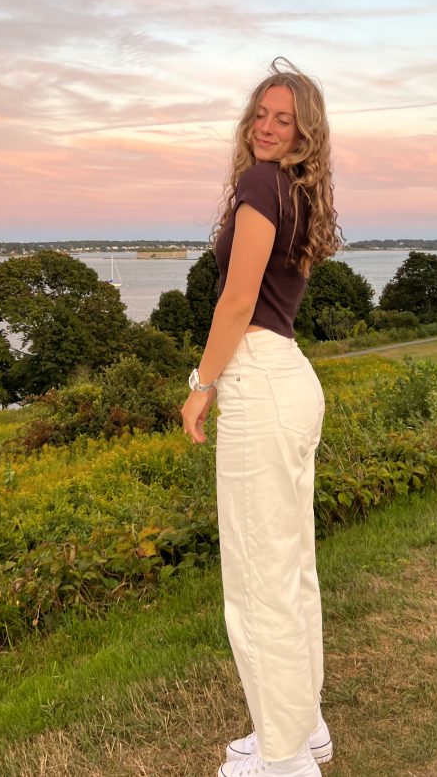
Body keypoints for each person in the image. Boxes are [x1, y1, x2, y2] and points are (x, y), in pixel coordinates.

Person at [181, 58, 343, 777]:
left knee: (257, 580)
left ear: (306, 135)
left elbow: (237, 300)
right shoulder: (298, 193)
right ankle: (299, 728)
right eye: (262, 114)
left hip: (257, 379)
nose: (269, 127)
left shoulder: (259, 184)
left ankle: (282, 760)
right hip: (290, 379)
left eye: (286, 119)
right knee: (289, 569)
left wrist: (201, 383)